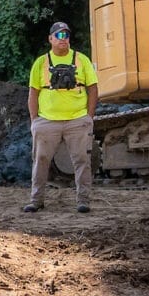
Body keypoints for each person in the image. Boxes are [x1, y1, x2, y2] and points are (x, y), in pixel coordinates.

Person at [25, 21, 97, 214]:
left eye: (66, 35)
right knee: (40, 160)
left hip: (77, 120)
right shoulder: (41, 63)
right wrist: (35, 120)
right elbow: (33, 92)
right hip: (47, 121)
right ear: (50, 39)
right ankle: (36, 200)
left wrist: (89, 116)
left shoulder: (82, 60)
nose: (63, 39)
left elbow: (93, 88)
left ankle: (83, 201)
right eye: (58, 35)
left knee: (82, 160)